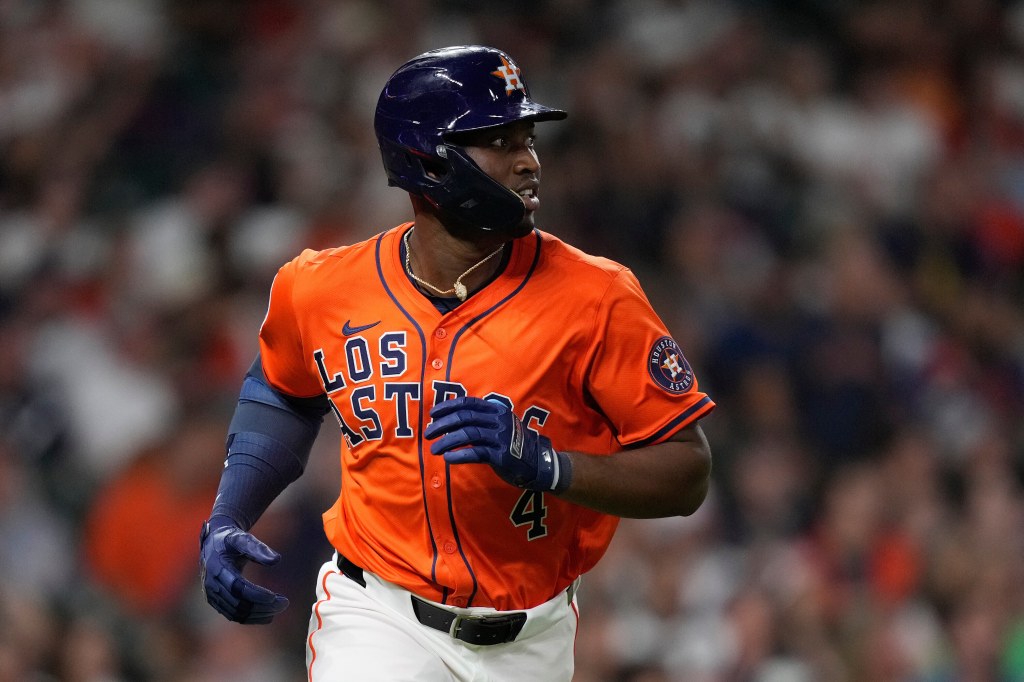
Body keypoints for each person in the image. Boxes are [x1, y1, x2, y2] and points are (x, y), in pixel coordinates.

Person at [199, 45, 715, 681]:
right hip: (377, 613)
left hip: (531, 633)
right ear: (426, 160)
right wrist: (230, 512)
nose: (528, 162)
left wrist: (549, 465)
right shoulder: (320, 288)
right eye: (499, 141)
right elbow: (282, 388)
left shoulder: (597, 297)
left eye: (528, 139)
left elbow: (688, 472)